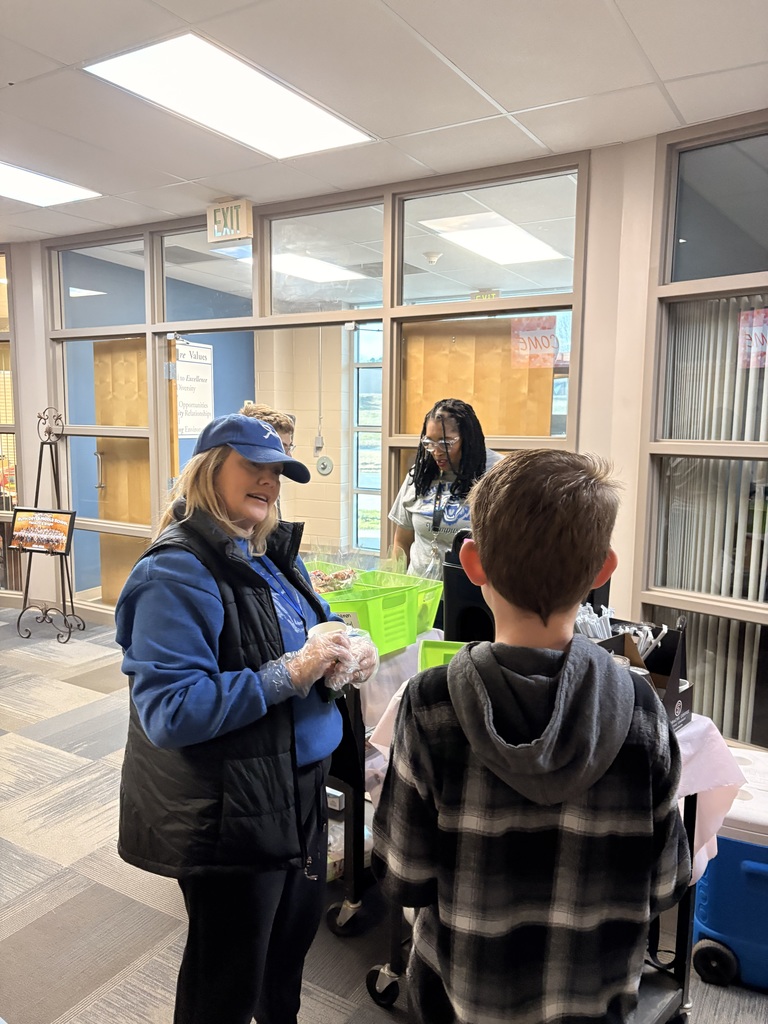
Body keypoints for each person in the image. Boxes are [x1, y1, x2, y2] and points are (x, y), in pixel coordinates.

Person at [372, 449, 691, 1024]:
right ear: (604, 570)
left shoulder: (430, 704)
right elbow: (666, 883)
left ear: (470, 563)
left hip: (463, 998)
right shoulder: (642, 708)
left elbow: (403, 874)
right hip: (594, 1002)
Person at [115, 412, 377, 1024]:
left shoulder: (268, 555)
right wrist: (291, 671)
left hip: (298, 790)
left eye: (278, 471)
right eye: (253, 467)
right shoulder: (174, 572)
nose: (268, 481)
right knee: (226, 981)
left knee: (285, 959)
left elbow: (316, 625)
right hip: (232, 810)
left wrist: (347, 647)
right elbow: (169, 711)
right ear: (210, 471)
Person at [389, 398, 501, 583]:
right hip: (420, 593)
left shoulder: (496, 473)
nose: (436, 452)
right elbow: (402, 541)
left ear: (468, 439)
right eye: (429, 442)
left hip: (472, 596)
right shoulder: (421, 474)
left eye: (446, 443)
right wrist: (396, 585)